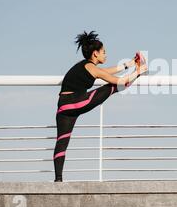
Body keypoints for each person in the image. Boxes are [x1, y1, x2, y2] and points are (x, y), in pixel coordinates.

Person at [54, 30, 147, 182]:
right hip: (75, 102)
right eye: (104, 52)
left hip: (63, 108)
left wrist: (128, 64)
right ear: (95, 53)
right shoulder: (92, 68)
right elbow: (119, 81)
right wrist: (137, 71)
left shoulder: (86, 66)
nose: (106, 55)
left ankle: (58, 180)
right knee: (111, 87)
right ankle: (140, 72)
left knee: (62, 141)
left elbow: (103, 72)